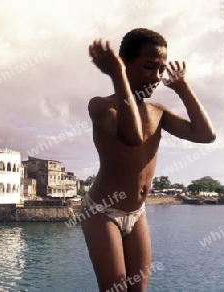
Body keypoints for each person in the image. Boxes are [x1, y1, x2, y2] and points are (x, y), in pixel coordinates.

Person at [82, 28, 216, 292]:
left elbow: (205, 135)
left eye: (161, 69)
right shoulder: (100, 106)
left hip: (137, 212)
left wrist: (182, 87)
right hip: (102, 211)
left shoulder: (158, 112)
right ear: (126, 63)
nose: (157, 76)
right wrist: (117, 75)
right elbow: (132, 136)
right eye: (149, 66)